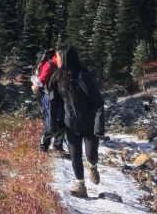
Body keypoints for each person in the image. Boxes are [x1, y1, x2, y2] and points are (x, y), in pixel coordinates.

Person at [54, 46, 106, 199]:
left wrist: (99, 126)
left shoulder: (83, 77)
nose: (56, 60)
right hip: (70, 124)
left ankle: (92, 165)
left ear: (65, 58)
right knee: (75, 155)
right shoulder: (59, 78)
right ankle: (80, 186)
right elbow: (56, 102)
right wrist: (56, 124)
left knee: (91, 155)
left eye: (58, 57)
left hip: (89, 124)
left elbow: (98, 102)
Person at [31, 48, 66, 156]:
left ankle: (51, 146)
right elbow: (41, 80)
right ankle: (48, 146)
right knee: (53, 120)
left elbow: (40, 82)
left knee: (56, 120)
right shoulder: (52, 63)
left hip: (55, 95)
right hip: (51, 95)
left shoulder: (54, 62)